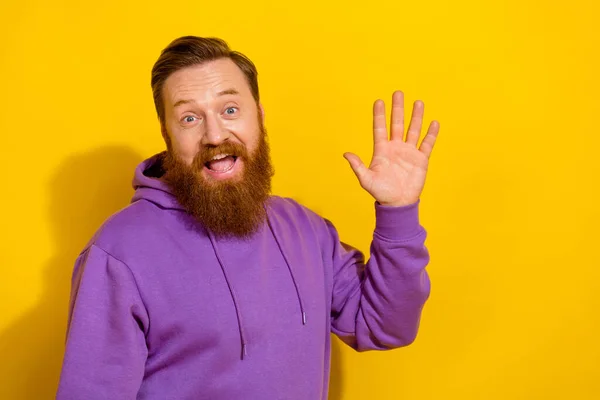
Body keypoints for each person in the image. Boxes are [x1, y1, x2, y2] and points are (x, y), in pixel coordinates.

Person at [56, 36, 441, 400]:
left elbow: (386, 326)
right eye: (189, 118)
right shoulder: (119, 253)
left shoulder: (306, 230)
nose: (214, 134)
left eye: (230, 110)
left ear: (258, 116)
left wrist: (398, 211)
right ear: (167, 134)